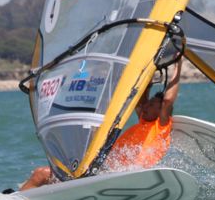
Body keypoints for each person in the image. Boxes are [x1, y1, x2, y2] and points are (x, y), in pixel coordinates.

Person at [18, 59, 181, 191]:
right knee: (40, 174)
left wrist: (178, 64)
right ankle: (15, 199)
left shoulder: (161, 126)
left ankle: (19, 199)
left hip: (124, 176)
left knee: (42, 174)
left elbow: (167, 101)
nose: (145, 106)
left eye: (151, 105)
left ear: (161, 111)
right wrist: (150, 66)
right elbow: (140, 96)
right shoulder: (144, 121)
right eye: (148, 103)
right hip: (103, 173)